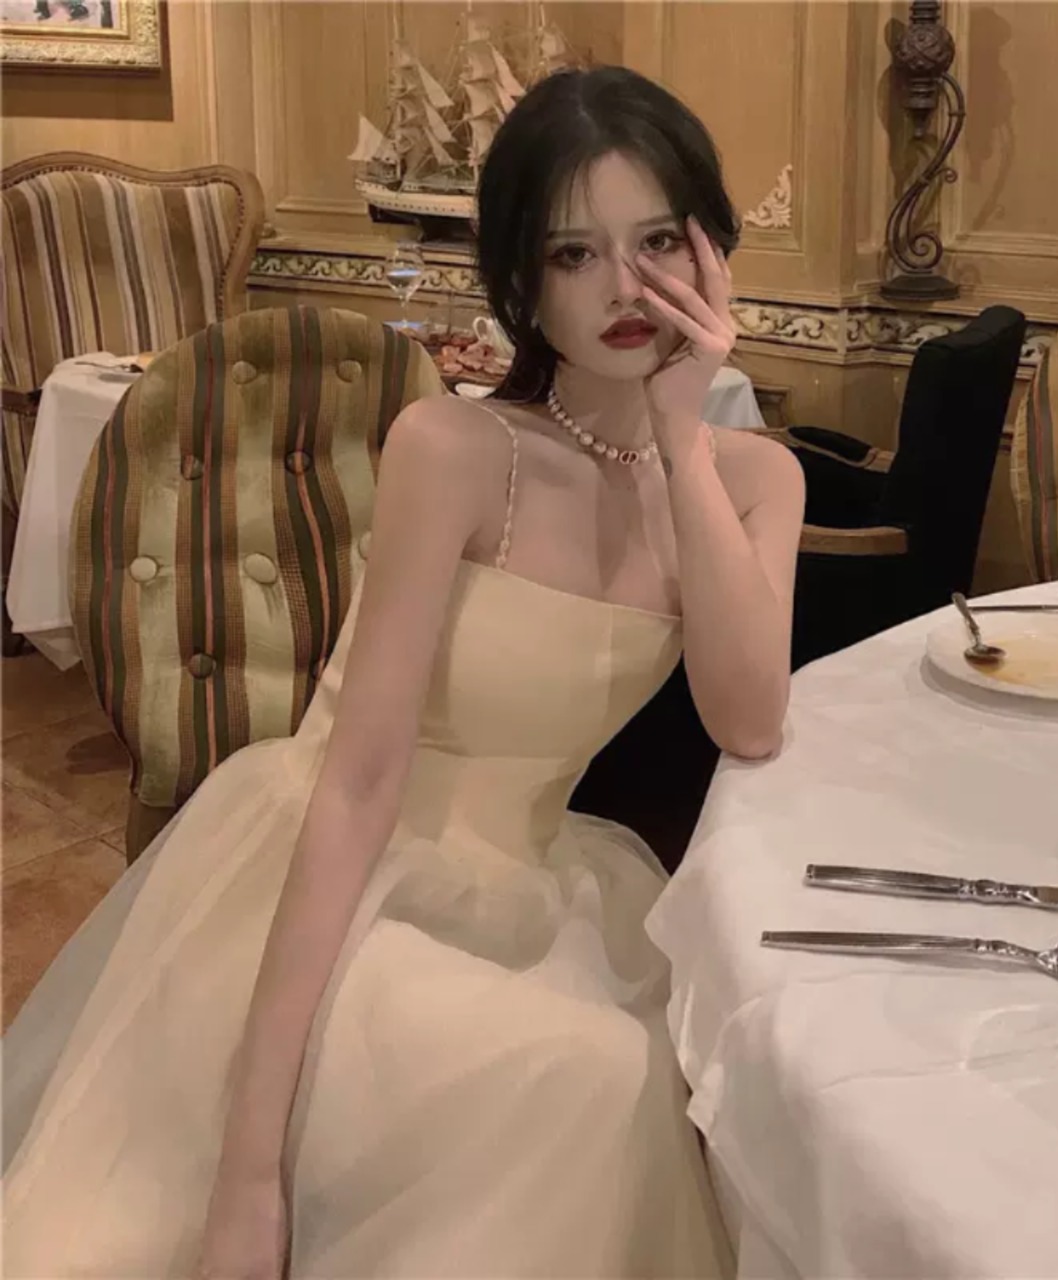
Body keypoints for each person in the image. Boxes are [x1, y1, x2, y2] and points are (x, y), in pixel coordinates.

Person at [2, 65, 804, 1278]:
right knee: (577, 1074)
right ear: (522, 279)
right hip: (343, 869)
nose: (624, 288)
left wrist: (682, 434)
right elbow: (358, 782)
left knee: (650, 1069)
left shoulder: (750, 479)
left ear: (711, 251)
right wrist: (247, 1169)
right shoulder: (456, 446)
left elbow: (746, 719)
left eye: (656, 243)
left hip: (539, 884)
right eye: (573, 253)